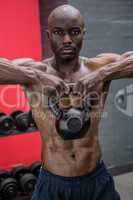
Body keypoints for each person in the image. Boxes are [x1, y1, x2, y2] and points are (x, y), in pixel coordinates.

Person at [0, 4, 133, 200]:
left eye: (75, 32)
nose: (67, 40)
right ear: (48, 35)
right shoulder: (35, 70)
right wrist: (36, 77)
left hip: (96, 178)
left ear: (83, 34)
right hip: (53, 182)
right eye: (58, 33)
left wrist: (102, 75)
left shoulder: (99, 67)